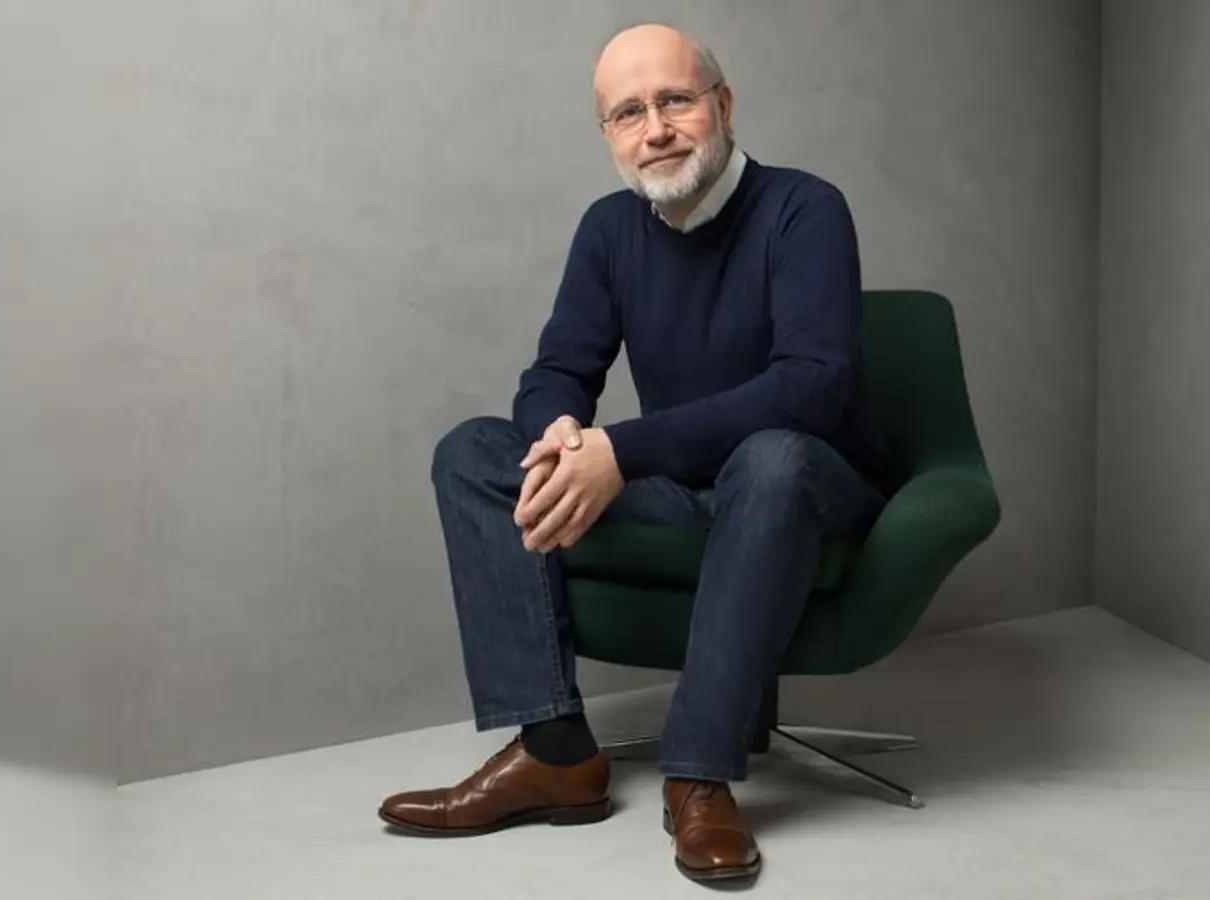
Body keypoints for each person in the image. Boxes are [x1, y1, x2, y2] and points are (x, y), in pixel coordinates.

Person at [377, 22, 896, 884]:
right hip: (684, 490)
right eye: (627, 112)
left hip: (808, 486)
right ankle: (553, 751)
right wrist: (560, 439)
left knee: (773, 455)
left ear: (722, 106)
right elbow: (557, 370)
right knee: (473, 452)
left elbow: (811, 385)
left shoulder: (805, 208)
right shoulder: (610, 229)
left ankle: (698, 776)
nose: (653, 128)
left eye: (674, 101)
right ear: (609, 135)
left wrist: (619, 448)